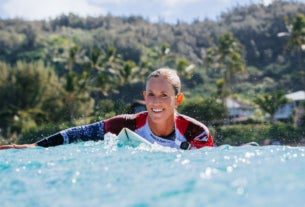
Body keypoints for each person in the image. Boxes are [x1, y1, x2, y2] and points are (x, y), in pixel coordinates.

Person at [0, 68, 214, 150]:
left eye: (164, 96)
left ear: (179, 99)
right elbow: (78, 134)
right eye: (151, 95)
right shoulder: (126, 124)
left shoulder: (196, 134)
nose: (156, 102)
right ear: (144, 96)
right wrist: (33, 146)